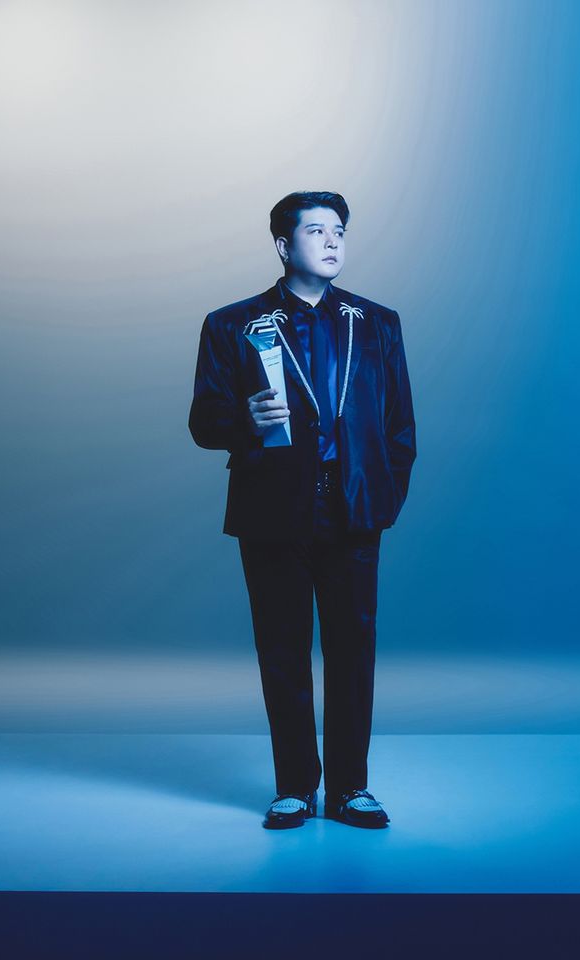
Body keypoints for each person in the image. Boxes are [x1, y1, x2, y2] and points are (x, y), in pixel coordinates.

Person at [189, 190, 416, 829]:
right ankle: (293, 786)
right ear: (284, 245)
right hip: (272, 511)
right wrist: (245, 421)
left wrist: (384, 498)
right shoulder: (231, 324)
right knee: (282, 652)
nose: (333, 240)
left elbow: (400, 426)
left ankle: (350, 788)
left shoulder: (378, 323)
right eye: (316, 231)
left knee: (353, 653)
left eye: (339, 229)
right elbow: (203, 422)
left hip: (354, 510)